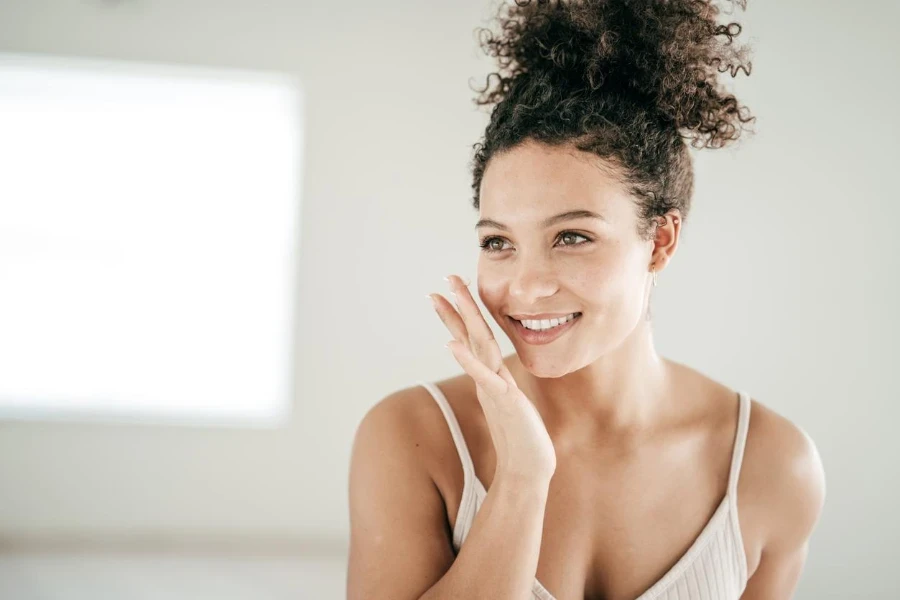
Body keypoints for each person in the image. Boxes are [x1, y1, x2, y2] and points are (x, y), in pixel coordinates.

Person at [347, 0, 826, 598]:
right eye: (498, 242)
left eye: (571, 237)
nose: (525, 287)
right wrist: (522, 480)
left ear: (660, 242)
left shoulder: (770, 467)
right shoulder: (412, 439)